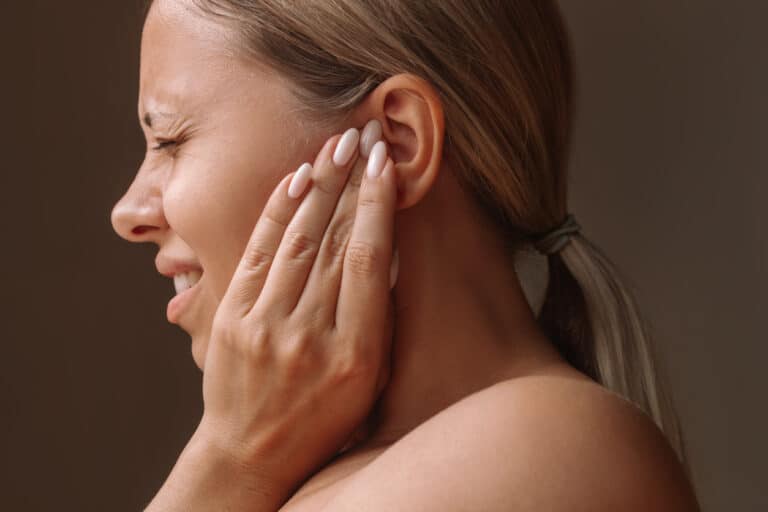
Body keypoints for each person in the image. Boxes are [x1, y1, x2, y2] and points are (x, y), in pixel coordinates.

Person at [110, 0, 701, 510]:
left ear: (395, 142)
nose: (128, 212)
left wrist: (231, 461)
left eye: (171, 140)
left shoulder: (553, 449)